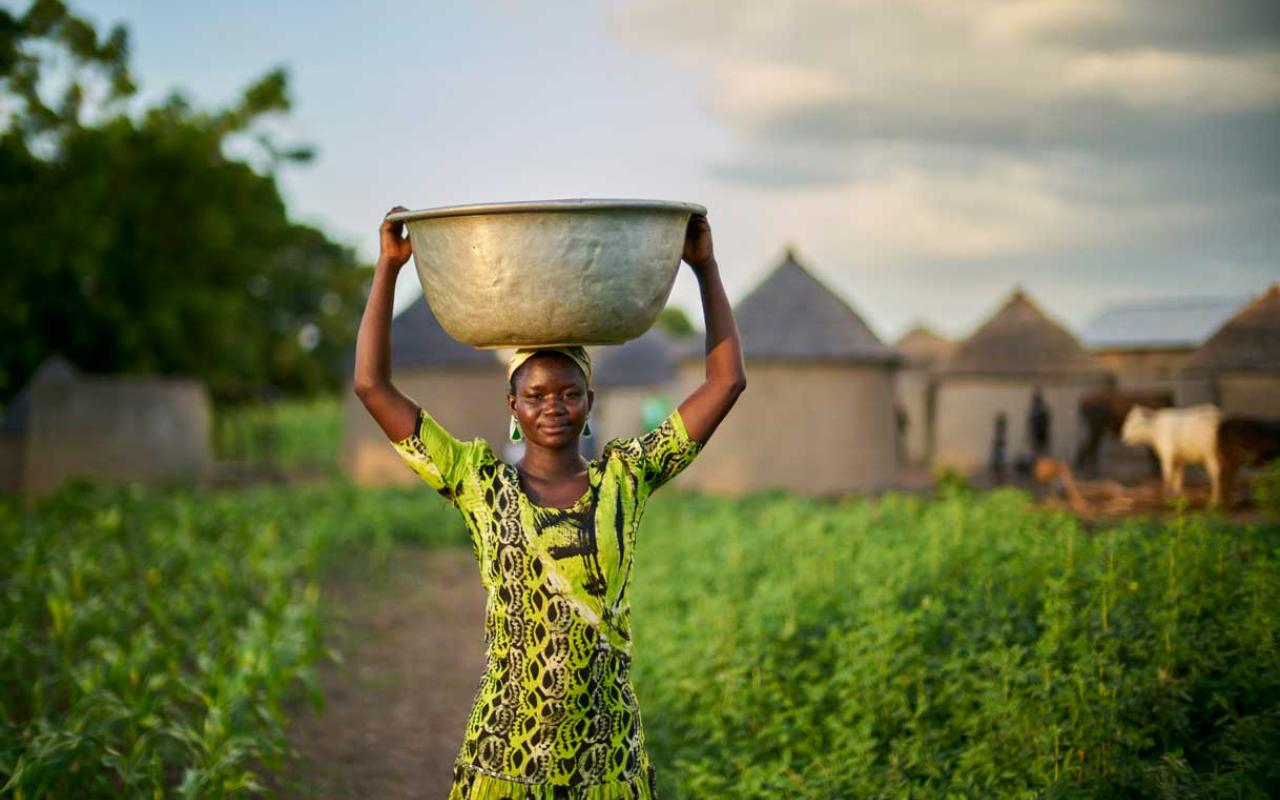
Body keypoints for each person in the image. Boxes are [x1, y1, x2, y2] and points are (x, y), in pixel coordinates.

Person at [353, 205, 746, 799]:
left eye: (568, 393)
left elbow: (726, 383)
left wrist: (704, 267)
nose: (552, 406)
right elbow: (371, 386)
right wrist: (389, 268)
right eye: (535, 395)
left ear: (591, 400)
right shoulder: (478, 483)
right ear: (513, 407)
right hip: (507, 755)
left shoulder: (626, 478)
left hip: (608, 758)